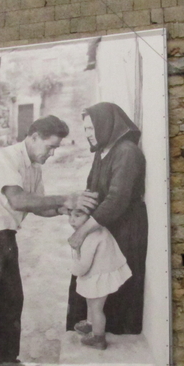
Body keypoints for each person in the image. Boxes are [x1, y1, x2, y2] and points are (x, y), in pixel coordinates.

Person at [0, 115, 97, 366]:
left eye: (55, 148)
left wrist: (66, 209)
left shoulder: (34, 166)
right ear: (34, 137)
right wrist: (67, 197)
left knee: (12, 305)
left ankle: (6, 363)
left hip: (6, 238)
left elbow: (39, 206)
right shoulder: (6, 158)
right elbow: (19, 200)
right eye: (50, 146)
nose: (52, 153)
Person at [66, 102, 148, 336]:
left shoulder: (127, 153)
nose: (87, 134)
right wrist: (79, 209)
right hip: (103, 224)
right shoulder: (102, 152)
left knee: (109, 278)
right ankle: (92, 324)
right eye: (85, 129)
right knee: (90, 275)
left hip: (124, 228)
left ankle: (109, 331)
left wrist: (82, 232)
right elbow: (92, 188)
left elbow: (117, 200)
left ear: (106, 125)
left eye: (91, 128)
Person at [67, 206, 132, 350]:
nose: (71, 220)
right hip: (102, 273)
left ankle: (98, 338)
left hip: (98, 277)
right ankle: (91, 324)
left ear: (91, 217)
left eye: (77, 216)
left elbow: (83, 266)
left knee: (96, 308)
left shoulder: (90, 237)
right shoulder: (99, 229)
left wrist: (76, 253)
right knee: (91, 302)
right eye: (70, 215)